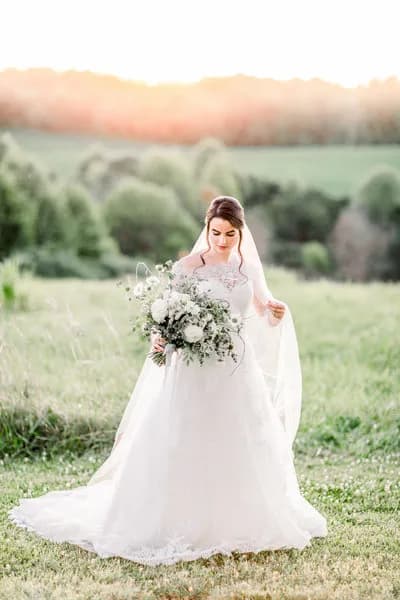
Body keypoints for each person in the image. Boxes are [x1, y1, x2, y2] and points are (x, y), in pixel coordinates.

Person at [8, 196, 327, 566]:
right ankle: (178, 517)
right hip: (193, 367)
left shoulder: (247, 268)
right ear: (207, 229)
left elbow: (259, 310)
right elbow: (167, 317)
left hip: (237, 368)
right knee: (186, 435)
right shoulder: (188, 267)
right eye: (216, 233)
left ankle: (237, 517)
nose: (222, 241)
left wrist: (275, 312)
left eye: (230, 234)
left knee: (237, 436)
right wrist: (161, 337)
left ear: (241, 232)